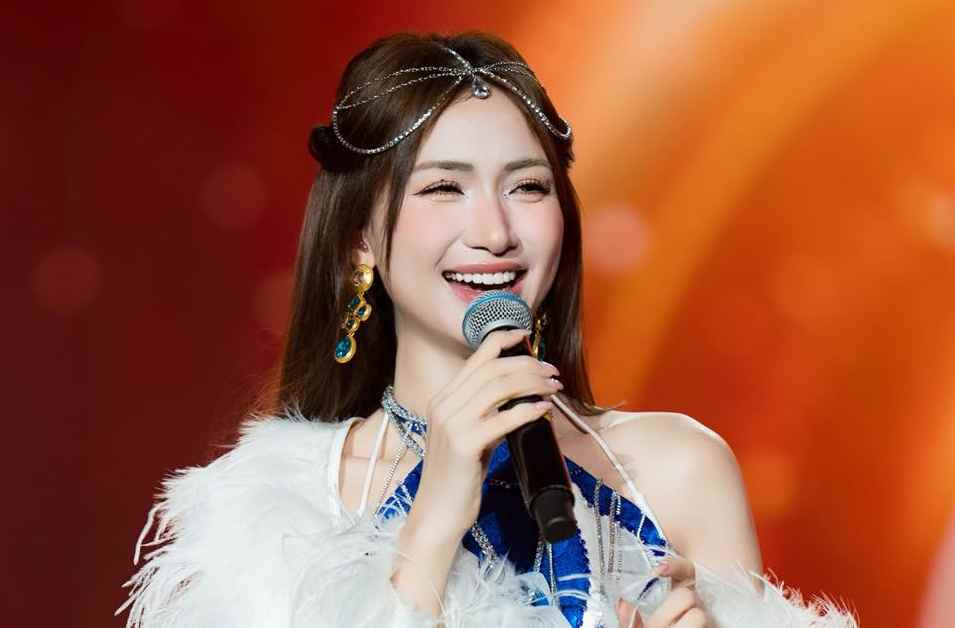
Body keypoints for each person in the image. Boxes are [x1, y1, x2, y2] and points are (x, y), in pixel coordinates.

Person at [118, 31, 858, 628]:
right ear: (358, 239)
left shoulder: (676, 469)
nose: (495, 232)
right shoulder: (273, 504)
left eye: (527, 186)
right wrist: (432, 523)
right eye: (444, 187)